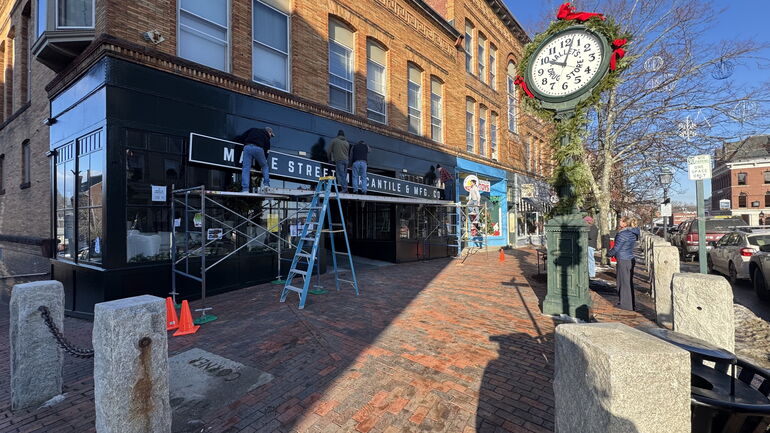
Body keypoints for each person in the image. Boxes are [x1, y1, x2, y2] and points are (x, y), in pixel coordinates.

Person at [608, 216, 640, 311]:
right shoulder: (632, 232)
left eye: (621, 221)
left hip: (623, 259)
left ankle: (625, 305)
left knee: (623, 283)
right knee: (627, 282)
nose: (619, 222)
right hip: (629, 258)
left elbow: (616, 248)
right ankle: (629, 304)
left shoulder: (623, 234)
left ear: (625, 223)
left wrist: (608, 253)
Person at [236, 126, 273, 192]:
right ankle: (266, 185)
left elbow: (242, 137)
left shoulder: (253, 129)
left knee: (246, 168)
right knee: (265, 166)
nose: (271, 136)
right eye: (271, 135)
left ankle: (245, 190)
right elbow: (266, 152)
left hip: (247, 147)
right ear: (269, 132)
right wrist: (261, 163)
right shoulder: (266, 137)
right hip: (258, 149)